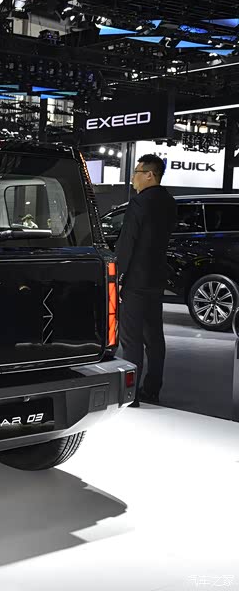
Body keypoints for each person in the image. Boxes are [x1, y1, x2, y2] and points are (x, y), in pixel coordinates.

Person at [116, 154, 177, 408]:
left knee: (131, 338)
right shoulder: (169, 202)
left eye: (136, 172)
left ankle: (130, 396)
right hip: (156, 278)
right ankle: (152, 389)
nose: (133, 178)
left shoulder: (139, 202)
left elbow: (128, 242)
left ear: (149, 175)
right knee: (154, 337)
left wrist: (119, 276)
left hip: (135, 280)